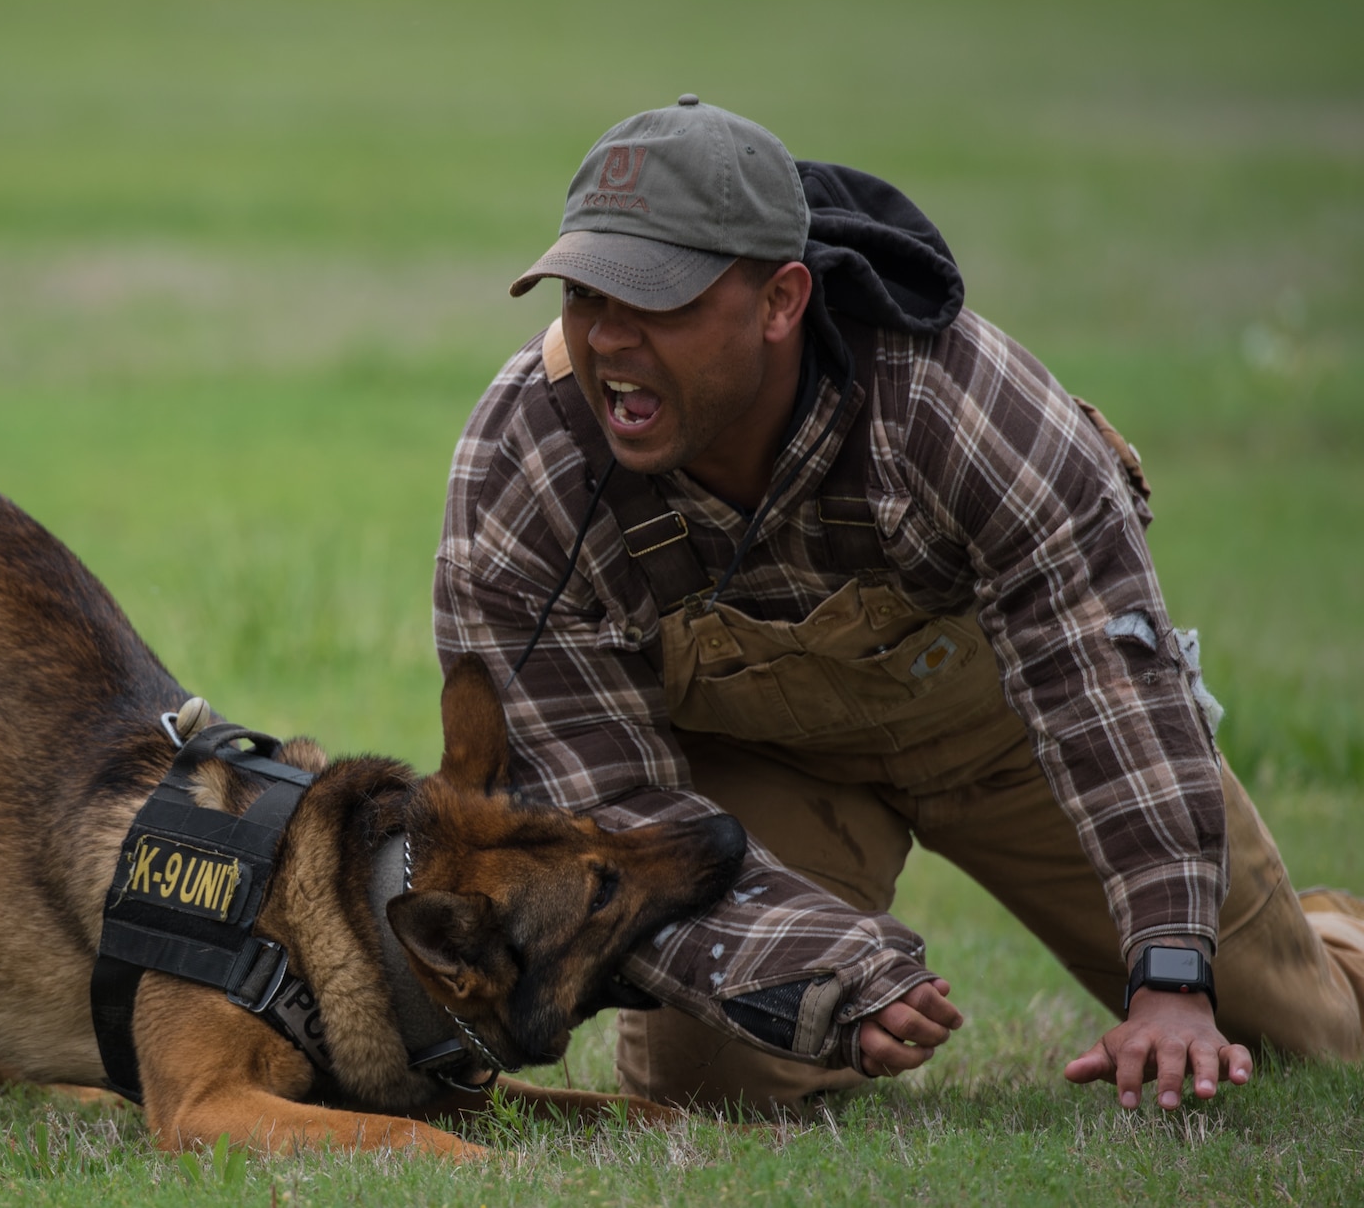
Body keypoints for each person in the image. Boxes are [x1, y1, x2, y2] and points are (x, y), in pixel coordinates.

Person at [433, 94, 1364, 1115]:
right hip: (762, 772)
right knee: (724, 1089)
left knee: (1286, 1042)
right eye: (584, 296)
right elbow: (600, 806)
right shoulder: (528, 460)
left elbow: (1104, 680)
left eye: (656, 304)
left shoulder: (951, 397)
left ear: (781, 300)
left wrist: (1174, 977)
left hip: (1011, 726)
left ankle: (1328, 941)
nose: (607, 342)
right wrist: (830, 971)